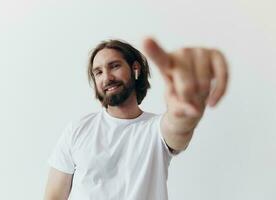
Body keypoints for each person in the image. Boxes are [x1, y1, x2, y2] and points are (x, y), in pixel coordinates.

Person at [44, 38, 228, 200]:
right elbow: (54, 196)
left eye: (114, 66)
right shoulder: (78, 129)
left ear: (135, 69)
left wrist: (184, 108)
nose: (107, 77)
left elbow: (178, 127)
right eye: (98, 72)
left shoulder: (156, 128)